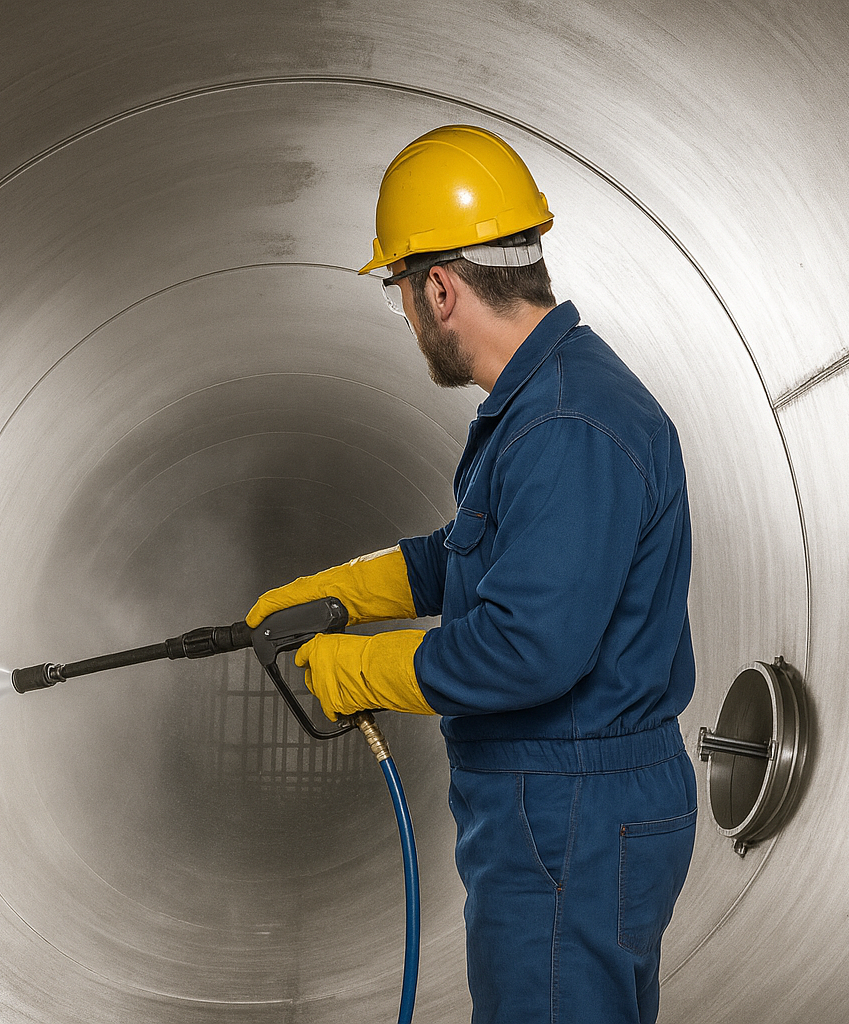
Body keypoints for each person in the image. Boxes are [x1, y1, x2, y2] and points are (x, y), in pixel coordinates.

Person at [246, 125, 697, 1024]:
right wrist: (348, 589)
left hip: (567, 813)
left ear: (440, 288)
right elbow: (491, 557)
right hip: (570, 808)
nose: (408, 320)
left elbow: (526, 648)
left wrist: (357, 668)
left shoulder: (566, 425)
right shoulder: (549, 401)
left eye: (400, 297)